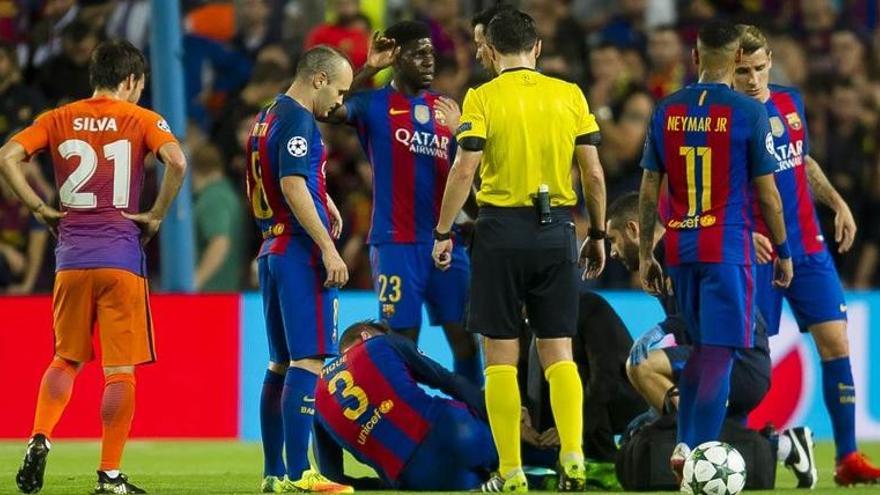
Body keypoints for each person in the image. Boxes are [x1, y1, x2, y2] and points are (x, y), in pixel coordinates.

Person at [0, 39, 187, 494]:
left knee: (65, 358)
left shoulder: (57, 118)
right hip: (121, 257)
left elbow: (7, 156)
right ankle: (109, 476)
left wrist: (39, 208)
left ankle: (40, 436)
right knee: (120, 372)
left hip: (70, 260)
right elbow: (177, 161)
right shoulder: (143, 119)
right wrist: (158, 214)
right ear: (132, 81)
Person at [432, 9, 607, 492]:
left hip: (499, 232)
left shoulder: (482, 97)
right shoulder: (569, 95)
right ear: (538, 48)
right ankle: (572, 457)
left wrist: (444, 231)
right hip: (557, 232)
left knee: (501, 361)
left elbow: (465, 169)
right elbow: (592, 172)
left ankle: (510, 473)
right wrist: (598, 232)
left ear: (489, 50)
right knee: (559, 353)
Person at [637, 20, 792, 484]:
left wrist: (647, 252)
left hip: (681, 248)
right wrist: (783, 250)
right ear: (736, 60)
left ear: (696, 58)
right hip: (728, 247)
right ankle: (698, 451)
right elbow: (768, 195)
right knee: (721, 354)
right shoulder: (748, 113)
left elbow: (648, 190)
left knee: (701, 349)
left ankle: (685, 446)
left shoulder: (666, 109)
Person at [733, 24, 880, 485]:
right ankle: (736, 448)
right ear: (726, 71)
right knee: (751, 359)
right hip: (757, 250)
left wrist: (837, 203)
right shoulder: (725, 119)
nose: (752, 79)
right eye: (741, 71)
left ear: (771, 61)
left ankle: (848, 459)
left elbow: (802, 161)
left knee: (836, 344)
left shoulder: (790, 101)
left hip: (808, 246)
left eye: (758, 69)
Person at [607, 191, 817, 488]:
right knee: (691, 418)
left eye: (613, 240)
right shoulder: (666, 258)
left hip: (740, 360)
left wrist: (663, 327)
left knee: (642, 366)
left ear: (633, 229)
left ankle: (690, 456)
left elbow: (712, 309)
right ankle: (783, 447)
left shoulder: (680, 251)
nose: (612, 252)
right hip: (720, 356)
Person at [324, 21, 482, 386]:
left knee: (465, 341)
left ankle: (472, 417)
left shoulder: (448, 110)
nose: (429, 61)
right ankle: (403, 423)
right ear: (397, 58)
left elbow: (464, 178)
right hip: (395, 243)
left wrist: (480, 223)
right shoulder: (373, 104)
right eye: (419, 53)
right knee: (401, 344)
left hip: (447, 243)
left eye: (432, 54)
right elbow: (328, 108)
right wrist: (369, 69)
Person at [244, 45, 352, 494]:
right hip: (298, 251)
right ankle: (298, 474)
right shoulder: (300, 119)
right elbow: (290, 182)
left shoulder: (268, 114)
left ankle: (274, 474)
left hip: (271, 248)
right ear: (319, 80)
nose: (341, 103)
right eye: (341, 91)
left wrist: (322, 194)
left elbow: (282, 170)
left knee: (279, 364)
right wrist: (328, 247)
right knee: (307, 361)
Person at [314, 320, 497, 490]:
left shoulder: (315, 398)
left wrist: (381, 486)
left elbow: (331, 478)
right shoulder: (381, 344)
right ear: (365, 336)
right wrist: (498, 421)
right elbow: (449, 381)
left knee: (480, 484)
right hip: (456, 431)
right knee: (517, 457)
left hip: (417, 478)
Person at [191, 143, 245, 292]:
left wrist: (195, 282)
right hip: (225, 290)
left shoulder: (213, 198)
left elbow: (220, 243)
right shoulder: (227, 192)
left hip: (212, 293)